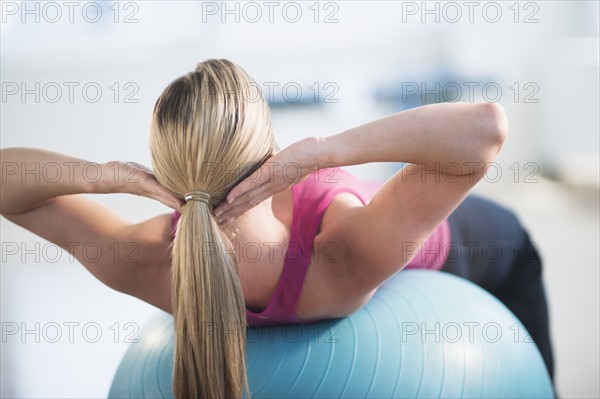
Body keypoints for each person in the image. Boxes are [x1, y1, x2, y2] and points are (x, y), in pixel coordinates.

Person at [0, 59, 554, 398]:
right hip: (434, 238)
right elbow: (485, 128)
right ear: (268, 151)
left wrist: (101, 176)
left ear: (164, 171)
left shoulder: (147, 261)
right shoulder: (340, 254)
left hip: (475, 254)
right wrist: (323, 151)